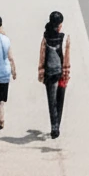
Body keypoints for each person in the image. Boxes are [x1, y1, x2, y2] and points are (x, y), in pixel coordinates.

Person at [37, 11, 70, 140]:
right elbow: (66, 56)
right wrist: (66, 72)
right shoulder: (64, 37)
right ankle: (57, 126)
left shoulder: (45, 37)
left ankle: (54, 127)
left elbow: (42, 55)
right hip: (61, 73)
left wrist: (41, 72)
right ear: (59, 25)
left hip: (49, 73)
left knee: (52, 102)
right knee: (60, 100)